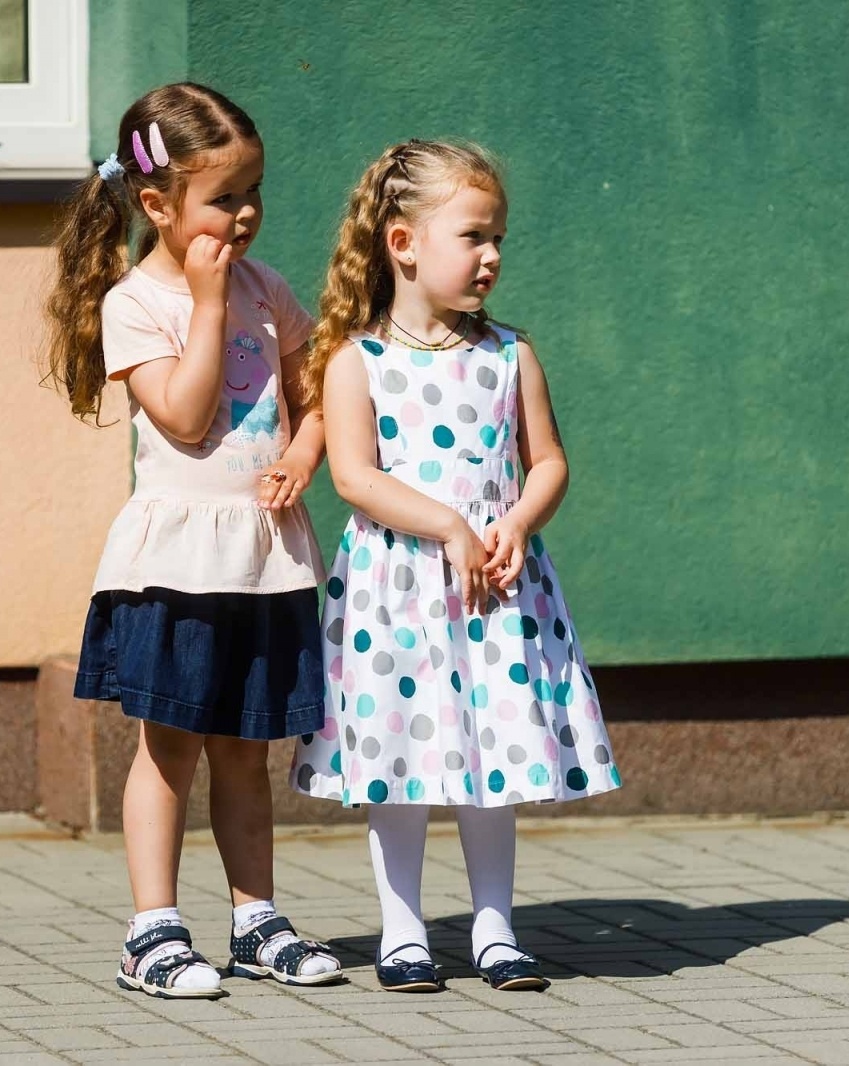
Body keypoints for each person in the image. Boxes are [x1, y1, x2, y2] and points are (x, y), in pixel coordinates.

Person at [292, 140, 621, 992]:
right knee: (400, 765)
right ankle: (403, 932)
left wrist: (515, 519)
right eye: (474, 236)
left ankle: (494, 928)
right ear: (403, 242)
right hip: (398, 591)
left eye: (499, 239)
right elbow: (356, 476)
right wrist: (446, 525)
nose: (492, 256)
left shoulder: (510, 354)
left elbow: (547, 460)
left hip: (495, 593)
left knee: (493, 761)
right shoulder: (356, 361)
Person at [44, 83, 341, 998]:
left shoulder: (270, 289)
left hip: (264, 560)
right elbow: (180, 414)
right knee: (168, 748)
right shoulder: (137, 304)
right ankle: (153, 933)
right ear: (156, 205)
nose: (245, 213)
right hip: (175, 566)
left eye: (254, 190)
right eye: (223, 196)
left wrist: (301, 452)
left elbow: (316, 390)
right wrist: (209, 306)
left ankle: (257, 921)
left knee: (245, 751)